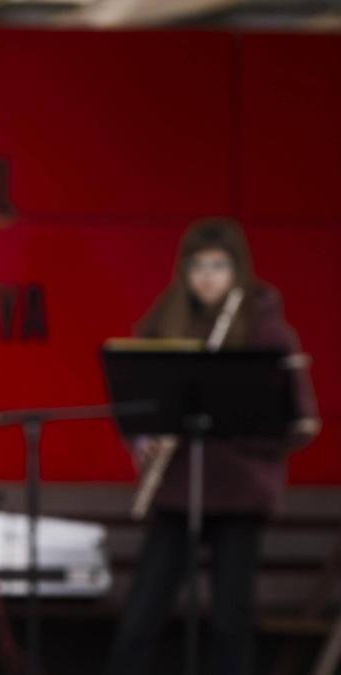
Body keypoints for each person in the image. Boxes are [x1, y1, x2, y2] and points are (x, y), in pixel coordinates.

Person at [106, 218, 320, 675]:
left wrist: (236, 423)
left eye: (220, 265)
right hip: (177, 491)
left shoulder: (266, 331)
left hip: (239, 495)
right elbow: (135, 397)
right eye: (197, 265)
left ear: (238, 269)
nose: (207, 276)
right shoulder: (164, 322)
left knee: (230, 620)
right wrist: (143, 438)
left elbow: (298, 421)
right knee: (141, 614)